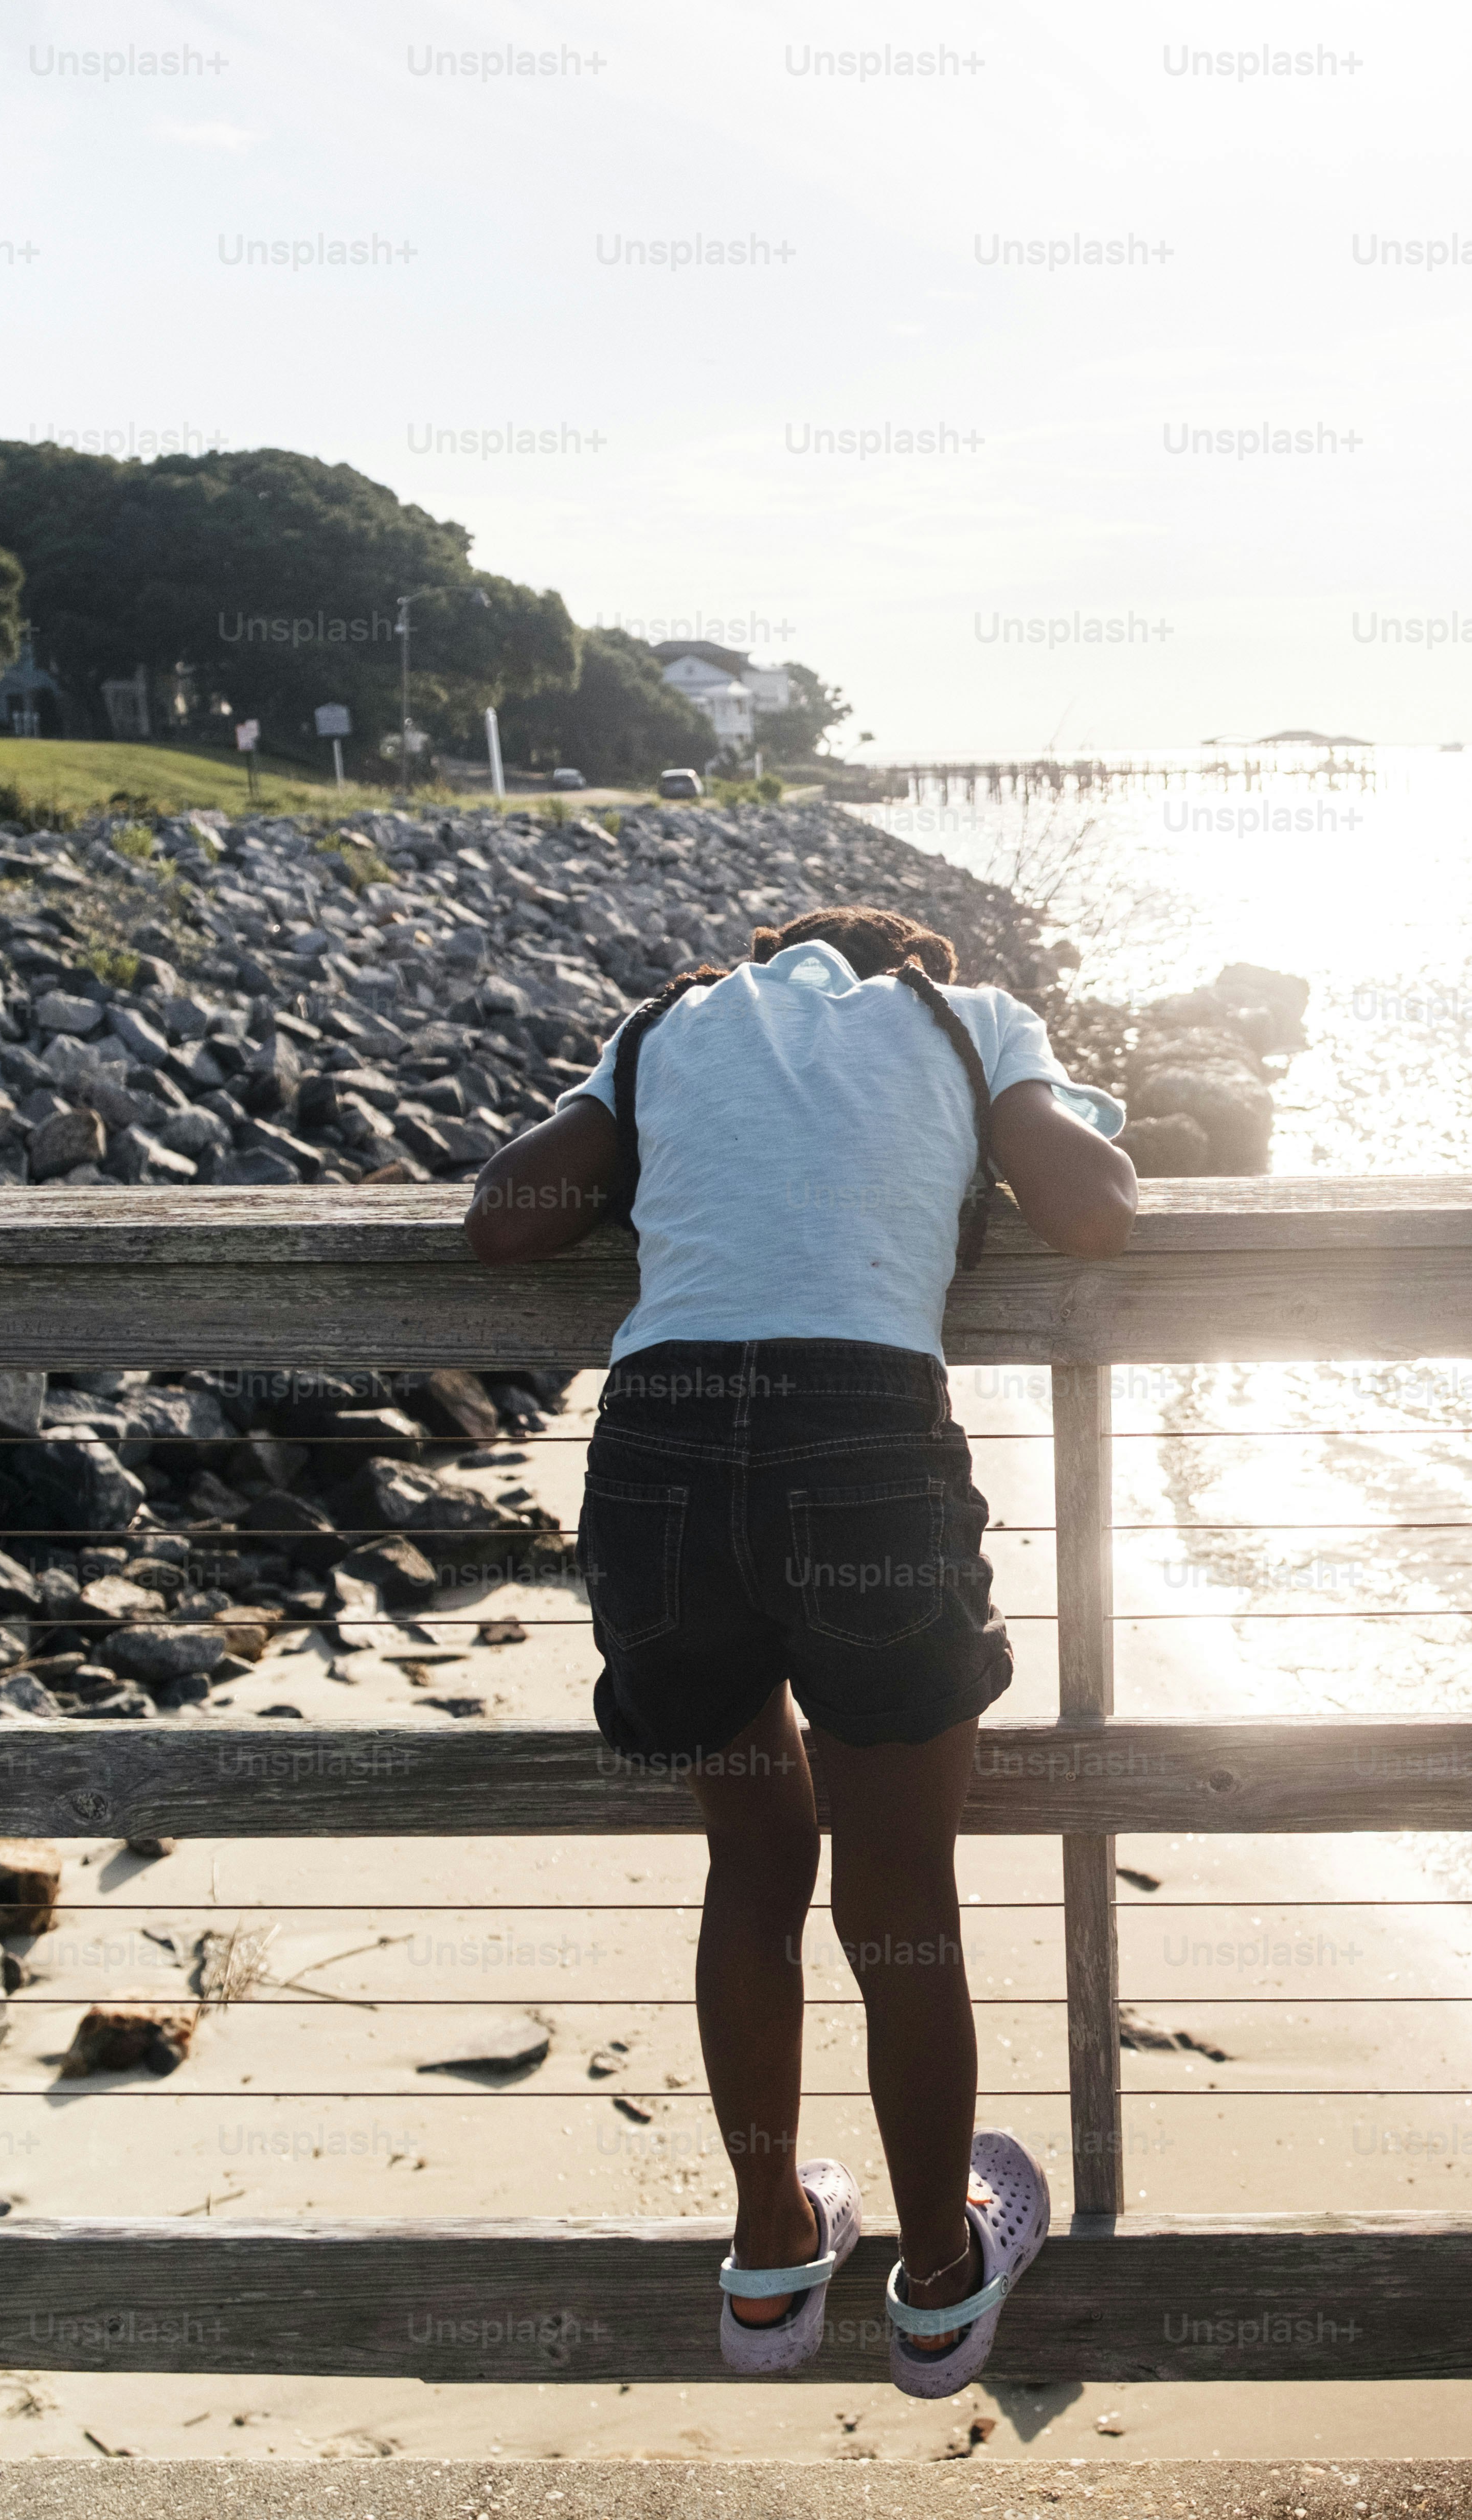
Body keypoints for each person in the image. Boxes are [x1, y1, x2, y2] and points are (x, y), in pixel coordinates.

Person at [468, 904, 1136, 2384]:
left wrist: (654, 1135)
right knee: (901, 1885)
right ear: (919, 971)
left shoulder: (669, 1024)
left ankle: (771, 2253)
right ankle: (942, 2277)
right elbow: (1094, 1208)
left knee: (754, 1866)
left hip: (658, 1463)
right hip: (864, 1449)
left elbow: (504, 1217)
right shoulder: (964, 1018)